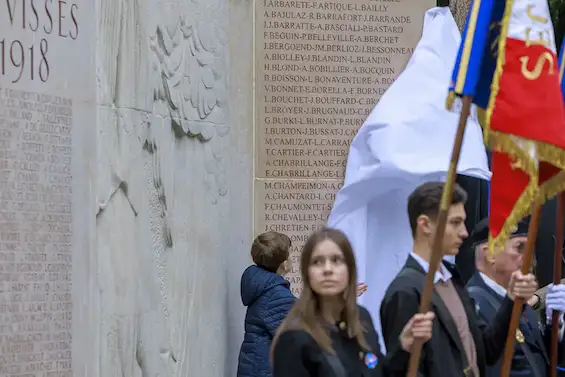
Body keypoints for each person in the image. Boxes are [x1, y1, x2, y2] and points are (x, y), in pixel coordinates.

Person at [380, 181, 539, 377]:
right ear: (425, 224)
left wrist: (512, 300)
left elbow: (486, 350)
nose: (464, 232)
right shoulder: (406, 290)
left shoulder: (453, 280)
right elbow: (405, 370)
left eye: (463, 222)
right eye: (454, 223)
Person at [271, 228, 435, 377]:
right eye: (317, 262)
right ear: (307, 273)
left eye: (336, 260)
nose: (328, 269)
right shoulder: (293, 338)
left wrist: (403, 347)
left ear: (350, 269)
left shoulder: (362, 319)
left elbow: (381, 372)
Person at [467, 218, 565, 377]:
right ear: (491, 254)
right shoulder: (473, 304)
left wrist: (554, 323)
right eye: (519, 248)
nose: (527, 257)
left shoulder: (518, 301)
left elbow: (542, 358)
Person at [237, 231, 296, 377]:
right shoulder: (276, 293)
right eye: (290, 254)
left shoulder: (262, 284)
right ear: (283, 263)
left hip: (255, 365)